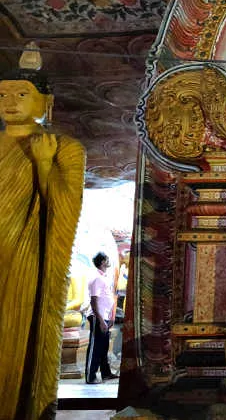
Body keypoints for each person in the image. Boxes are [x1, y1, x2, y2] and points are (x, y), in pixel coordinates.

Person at [0, 43, 85, 420]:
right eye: (2, 94)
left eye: (22, 93)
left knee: (17, 335)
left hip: (25, 258)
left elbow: (63, 211)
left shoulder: (65, 148)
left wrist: (45, 165)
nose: (10, 101)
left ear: (45, 102)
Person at [85, 252, 118, 384]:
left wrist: (109, 318)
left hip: (103, 317)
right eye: (107, 259)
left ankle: (106, 373)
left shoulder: (103, 277)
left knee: (103, 347)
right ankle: (90, 376)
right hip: (96, 317)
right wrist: (100, 320)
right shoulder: (97, 278)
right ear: (103, 262)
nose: (108, 261)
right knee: (95, 347)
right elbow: (94, 300)